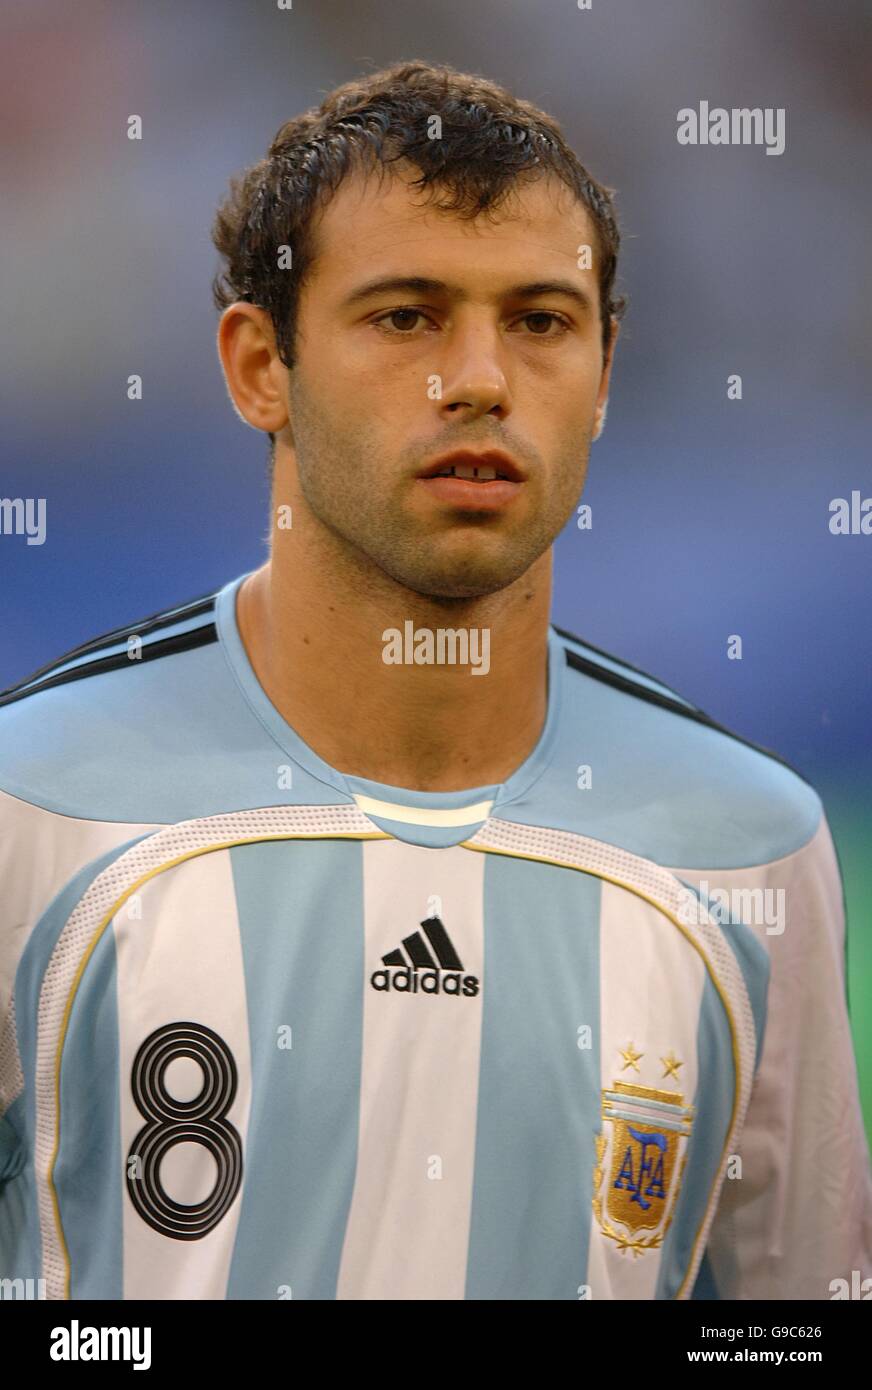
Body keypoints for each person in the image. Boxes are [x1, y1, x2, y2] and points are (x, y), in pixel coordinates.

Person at [1, 60, 869, 1302]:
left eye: (539, 321)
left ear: (604, 372)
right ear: (258, 366)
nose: (479, 379)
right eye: (405, 316)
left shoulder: (746, 849)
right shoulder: (32, 804)